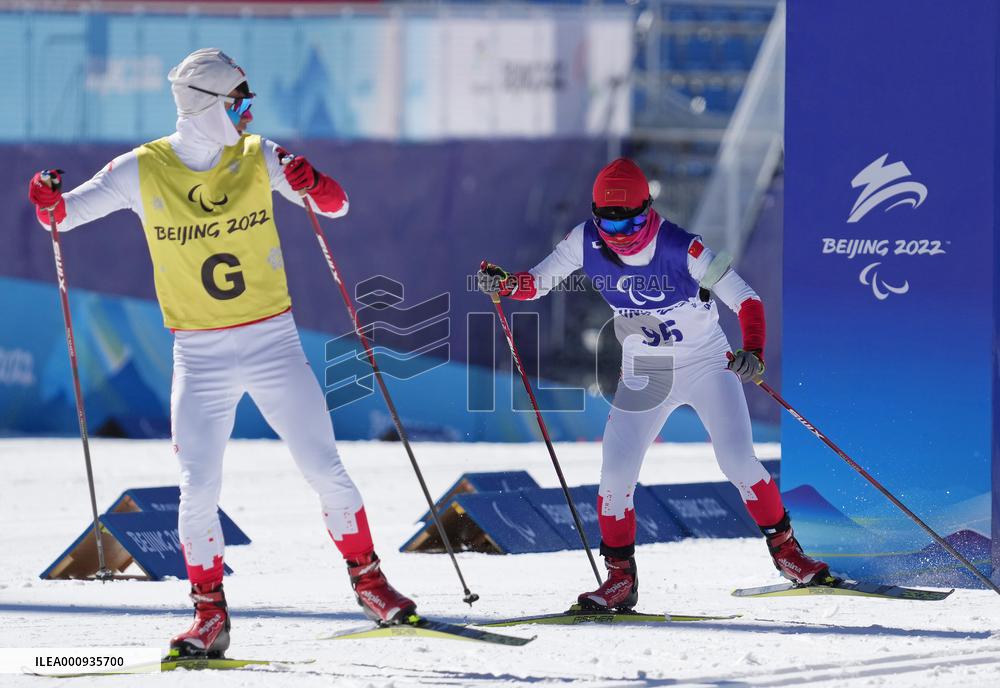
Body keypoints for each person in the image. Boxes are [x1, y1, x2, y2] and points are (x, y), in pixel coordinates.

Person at [27, 48, 415, 657]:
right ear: (209, 106)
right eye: (242, 103)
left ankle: (371, 583)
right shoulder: (141, 169)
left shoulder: (259, 156)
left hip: (273, 342)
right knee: (197, 488)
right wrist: (44, 198)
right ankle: (209, 616)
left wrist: (315, 182)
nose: (251, 114)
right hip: (199, 355)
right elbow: (62, 218)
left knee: (325, 469)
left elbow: (336, 205)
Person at [478, 158, 830, 611]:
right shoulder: (582, 241)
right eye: (610, 220)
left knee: (738, 460)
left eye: (635, 220)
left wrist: (754, 351)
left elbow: (746, 299)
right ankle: (620, 579)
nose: (622, 232)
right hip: (647, 369)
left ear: (650, 207)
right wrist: (504, 284)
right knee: (616, 474)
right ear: (595, 213)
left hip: (706, 363)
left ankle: (788, 554)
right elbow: (535, 284)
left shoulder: (685, 248)